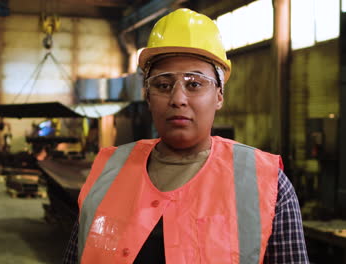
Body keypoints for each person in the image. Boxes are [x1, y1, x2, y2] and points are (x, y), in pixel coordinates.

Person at [63, 8, 309, 264]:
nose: (178, 99)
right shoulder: (108, 173)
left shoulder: (267, 184)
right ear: (147, 96)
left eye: (194, 84)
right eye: (163, 85)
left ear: (219, 95)